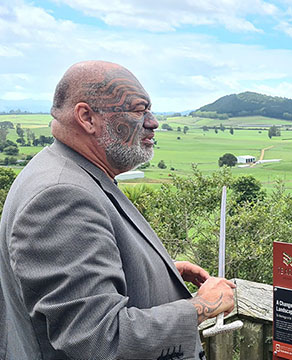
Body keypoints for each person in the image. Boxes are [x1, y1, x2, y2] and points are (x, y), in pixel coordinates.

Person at [0, 61, 236, 360]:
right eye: (139, 110)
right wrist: (203, 306)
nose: (153, 122)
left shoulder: (64, 170)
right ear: (87, 117)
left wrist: (154, 271)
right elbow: (98, 338)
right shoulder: (61, 196)